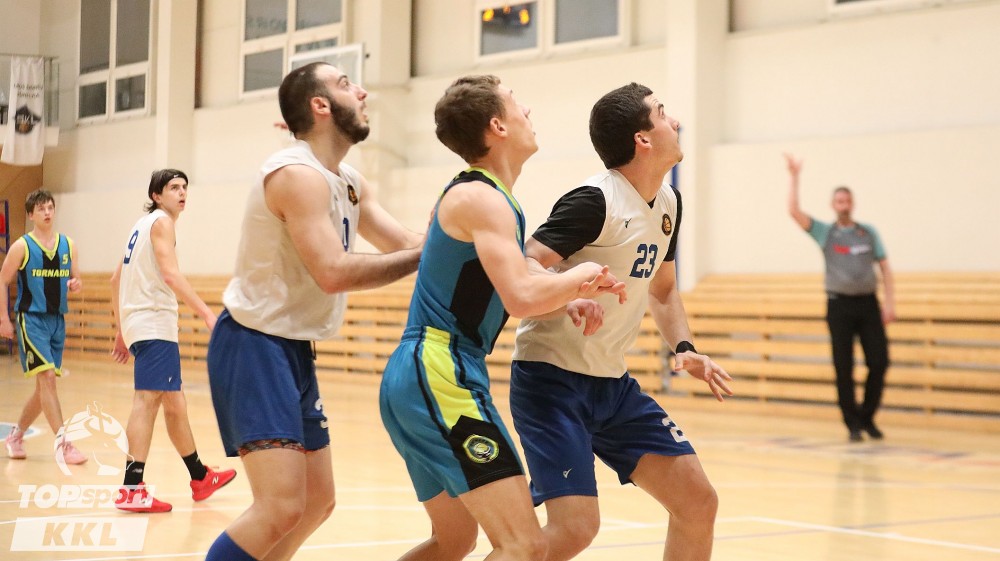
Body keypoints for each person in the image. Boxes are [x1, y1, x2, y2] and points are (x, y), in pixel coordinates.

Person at [379, 74, 626, 561]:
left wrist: (565, 297)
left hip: (423, 373)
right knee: (523, 545)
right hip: (440, 371)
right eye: (516, 104)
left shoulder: (487, 196)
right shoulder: (482, 198)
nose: (527, 111)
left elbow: (509, 280)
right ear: (497, 126)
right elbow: (520, 297)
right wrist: (581, 275)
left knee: (454, 541)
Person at [204, 62, 424, 561]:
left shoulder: (347, 180)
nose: (362, 90)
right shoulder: (295, 175)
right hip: (254, 342)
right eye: (346, 84)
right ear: (320, 106)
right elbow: (333, 272)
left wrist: (456, 229)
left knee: (316, 502)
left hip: (293, 346)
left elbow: (407, 242)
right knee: (280, 506)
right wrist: (426, 253)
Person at [509, 83, 733, 561]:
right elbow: (524, 263)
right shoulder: (594, 200)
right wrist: (567, 294)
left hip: (612, 384)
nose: (674, 121)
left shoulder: (669, 204)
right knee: (574, 529)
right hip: (551, 381)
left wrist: (686, 348)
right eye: (662, 113)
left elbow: (663, 290)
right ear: (642, 139)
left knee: (697, 503)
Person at [110, 169, 237, 513]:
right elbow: (170, 274)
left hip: (140, 324)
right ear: (156, 195)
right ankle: (131, 489)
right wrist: (207, 314)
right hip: (154, 323)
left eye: (184, 187)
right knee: (147, 401)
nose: (182, 193)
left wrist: (122, 329)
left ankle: (200, 477)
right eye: (173, 187)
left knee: (175, 403)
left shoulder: (140, 226)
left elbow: (115, 280)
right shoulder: (162, 222)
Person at [785, 153, 895, 442]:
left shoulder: (868, 233)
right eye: (839, 201)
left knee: (879, 361)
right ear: (833, 206)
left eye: (847, 201)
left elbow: (885, 267)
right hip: (839, 305)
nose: (843, 205)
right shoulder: (826, 233)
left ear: (852, 204)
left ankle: (867, 417)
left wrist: (889, 303)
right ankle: (852, 423)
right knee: (843, 367)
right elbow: (794, 211)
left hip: (868, 304)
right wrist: (794, 176)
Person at [1, 189, 86, 465]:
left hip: (57, 321)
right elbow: (3, 280)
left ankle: (16, 436)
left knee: (43, 389)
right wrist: (3, 319)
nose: (47, 212)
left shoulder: (68, 245)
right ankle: (63, 443)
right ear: (31, 215)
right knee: (47, 379)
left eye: (50, 207)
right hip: (31, 319)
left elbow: (76, 279)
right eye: (41, 209)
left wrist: (76, 283)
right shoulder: (22, 247)